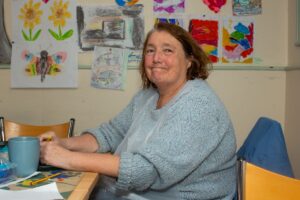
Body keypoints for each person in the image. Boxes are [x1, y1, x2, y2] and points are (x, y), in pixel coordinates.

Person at [39, 22, 237, 200]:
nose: (156, 58)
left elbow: (145, 171)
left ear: (189, 61)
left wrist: (67, 158)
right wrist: (64, 143)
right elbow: (110, 134)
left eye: (168, 50)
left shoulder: (198, 105)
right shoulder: (148, 96)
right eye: (150, 51)